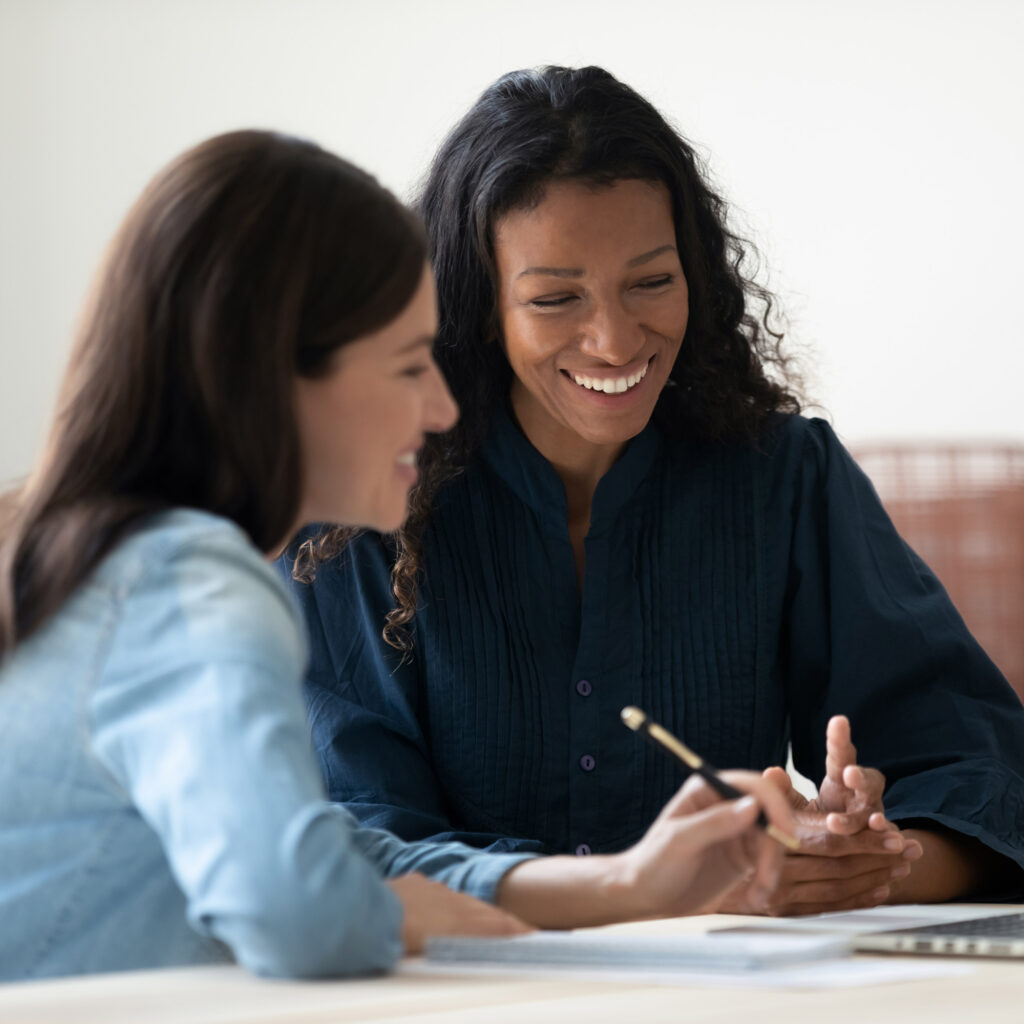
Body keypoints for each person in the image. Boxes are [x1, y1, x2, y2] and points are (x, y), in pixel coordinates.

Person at [0, 129, 792, 982]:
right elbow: (301, 908)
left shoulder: (103, 566)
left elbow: (325, 859)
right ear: (276, 375)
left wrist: (627, 882)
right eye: (411, 363)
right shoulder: (191, 581)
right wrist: (386, 914)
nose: (446, 407)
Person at [281, 66, 1024, 917]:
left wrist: (860, 863)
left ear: (695, 275)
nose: (615, 339)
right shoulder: (362, 509)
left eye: (652, 282)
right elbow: (348, 843)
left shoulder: (785, 477)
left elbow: (984, 773)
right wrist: (647, 893)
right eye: (556, 297)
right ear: (479, 305)